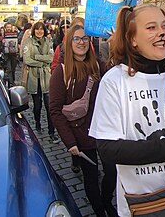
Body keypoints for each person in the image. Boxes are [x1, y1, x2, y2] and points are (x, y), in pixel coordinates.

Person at [89, 5, 165, 217]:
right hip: (146, 203)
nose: (162, 32)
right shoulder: (115, 81)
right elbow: (108, 149)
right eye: (151, 27)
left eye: (164, 26)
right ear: (132, 39)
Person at [49, 25, 117, 217]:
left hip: (104, 131)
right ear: (69, 43)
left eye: (85, 39)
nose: (81, 42)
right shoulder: (61, 71)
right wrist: (70, 142)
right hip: (80, 134)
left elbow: (118, 73)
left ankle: (106, 201)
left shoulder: (97, 64)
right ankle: (99, 211)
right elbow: (55, 110)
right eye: (77, 39)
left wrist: (116, 42)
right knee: (91, 175)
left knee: (111, 172)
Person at [23, 21, 58, 143]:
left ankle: (51, 132)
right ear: (34, 31)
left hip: (46, 78)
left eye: (41, 29)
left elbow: (51, 58)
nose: (39, 31)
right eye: (37, 29)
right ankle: (37, 123)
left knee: (49, 107)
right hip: (34, 78)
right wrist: (42, 62)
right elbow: (27, 59)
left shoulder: (49, 42)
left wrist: (37, 57)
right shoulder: (28, 42)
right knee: (37, 106)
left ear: (44, 30)